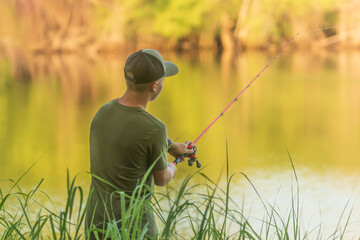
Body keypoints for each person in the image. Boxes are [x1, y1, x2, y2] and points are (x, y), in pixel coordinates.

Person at [85, 49, 194, 239]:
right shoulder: (155, 128)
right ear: (155, 86)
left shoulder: (103, 113)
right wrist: (171, 167)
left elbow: (128, 137)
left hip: (97, 223)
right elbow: (161, 179)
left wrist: (169, 146)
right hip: (135, 227)